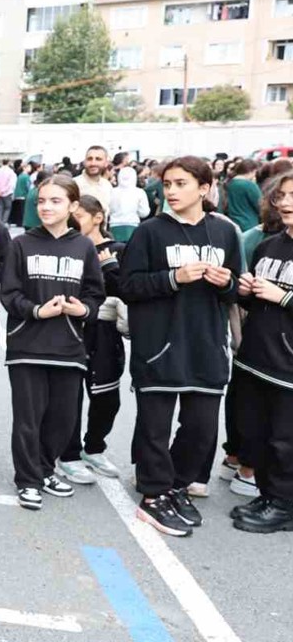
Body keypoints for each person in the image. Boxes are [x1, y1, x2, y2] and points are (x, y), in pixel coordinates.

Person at [122, 156, 242, 537]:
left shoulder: (224, 232)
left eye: (180, 184)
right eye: (167, 184)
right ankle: (154, 494)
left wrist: (226, 283)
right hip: (159, 345)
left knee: (201, 428)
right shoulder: (149, 232)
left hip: (207, 346)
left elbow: (237, 288)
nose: (171, 191)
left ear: (204, 188)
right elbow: (127, 286)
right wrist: (173, 278)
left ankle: (176, 485)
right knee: (154, 428)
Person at [0, 175, 106, 510]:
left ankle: (45, 469)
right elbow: (9, 294)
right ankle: (28, 480)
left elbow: (95, 293)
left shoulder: (84, 246)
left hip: (69, 348)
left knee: (62, 419)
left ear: (73, 206)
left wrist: (83, 309)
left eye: (55, 201)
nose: (46, 207)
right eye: (42, 201)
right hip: (27, 346)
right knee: (28, 419)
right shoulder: (21, 244)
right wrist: (36, 311)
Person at [232, 169, 293, 533]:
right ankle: (269, 495)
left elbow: (280, 297)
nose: (285, 203)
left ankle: (284, 504)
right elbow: (257, 302)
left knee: (286, 441)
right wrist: (247, 290)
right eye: (281, 196)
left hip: (288, 366)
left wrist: (283, 296)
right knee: (258, 434)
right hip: (256, 358)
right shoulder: (268, 245)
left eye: (292, 195)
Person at [56, 196, 128, 484]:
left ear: (98, 217)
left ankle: (94, 447)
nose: (73, 223)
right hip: (73, 330)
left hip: (106, 332)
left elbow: (128, 290)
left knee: (107, 396)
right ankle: (69, 454)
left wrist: (109, 265)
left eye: (79, 217)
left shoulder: (118, 250)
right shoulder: (68, 248)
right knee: (69, 396)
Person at [108, 166, 151, 242]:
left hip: (114, 225)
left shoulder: (111, 191)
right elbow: (144, 212)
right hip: (133, 224)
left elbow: (107, 210)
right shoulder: (139, 192)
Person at [225, 159, 262, 232]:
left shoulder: (229, 183)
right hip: (249, 223)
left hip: (233, 222)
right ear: (252, 171)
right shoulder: (249, 185)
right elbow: (260, 205)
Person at [77, 146, 114, 213]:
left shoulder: (107, 185)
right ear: (84, 162)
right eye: (89, 159)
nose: (93, 163)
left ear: (106, 163)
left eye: (98, 159)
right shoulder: (75, 184)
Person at [0, 158, 16, 224]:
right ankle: (4, 222)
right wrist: (3, 190)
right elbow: (10, 184)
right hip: (7, 193)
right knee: (7, 208)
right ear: (9, 163)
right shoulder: (11, 172)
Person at [11, 161, 34, 226]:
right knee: (23, 211)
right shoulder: (26, 177)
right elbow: (28, 187)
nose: (30, 168)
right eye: (29, 167)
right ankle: (21, 223)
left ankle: (18, 223)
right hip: (24, 195)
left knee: (18, 211)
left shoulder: (20, 176)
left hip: (18, 195)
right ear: (24, 168)